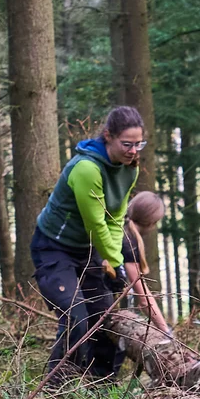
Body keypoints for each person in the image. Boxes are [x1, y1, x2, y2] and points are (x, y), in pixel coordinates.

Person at [32, 106, 147, 380]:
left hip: (87, 251)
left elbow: (115, 216)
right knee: (76, 318)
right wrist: (118, 264)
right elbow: (96, 224)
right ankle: (58, 388)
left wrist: (113, 261)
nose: (133, 151)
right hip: (54, 248)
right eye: (127, 144)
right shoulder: (86, 168)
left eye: (138, 144)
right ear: (108, 136)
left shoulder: (129, 169)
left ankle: (101, 390)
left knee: (105, 318)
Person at [122, 190, 170, 331]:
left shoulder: (121, 230)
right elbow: (143, 298)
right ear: (151, 222)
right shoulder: (128, 243)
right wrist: (165, 331)